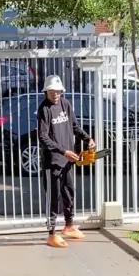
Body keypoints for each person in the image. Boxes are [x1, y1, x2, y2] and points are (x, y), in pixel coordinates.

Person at [38, 75, 96, 248]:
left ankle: (69, 226)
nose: (55, 94)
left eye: (58, 91)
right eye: (52, 91)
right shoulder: (44, 109)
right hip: (53, 162)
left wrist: (88, 139)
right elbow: (43, 138)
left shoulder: (66, 104)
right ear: (46, 91)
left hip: (68, 161)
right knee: (53, 198)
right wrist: (63, 152)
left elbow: (74, 126)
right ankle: (51, 234)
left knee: (69, 193)